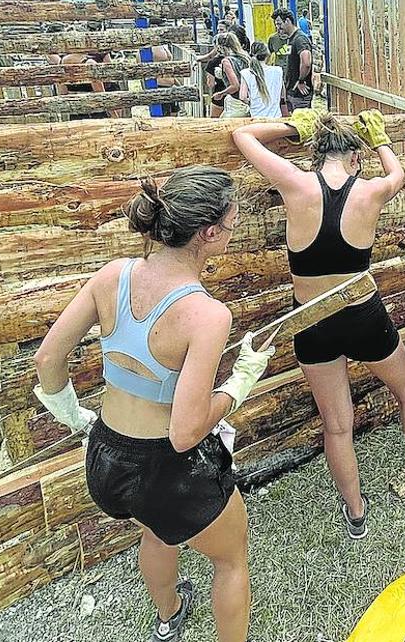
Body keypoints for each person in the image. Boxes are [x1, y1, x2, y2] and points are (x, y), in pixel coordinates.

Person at [33, 167, 271, 642]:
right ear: (208, 233)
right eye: (232, 222)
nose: (234, 228)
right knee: (231, 558)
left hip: (105, 458)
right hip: (169, 472)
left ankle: (168, 615)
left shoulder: (112, 276)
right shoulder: (206, 315)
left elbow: (48, 359)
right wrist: (239, 384)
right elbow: (186, 432)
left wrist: (67, 410)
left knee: (156, 530)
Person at [232, 109, 405, 539]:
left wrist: (292, 127)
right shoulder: (369, 191)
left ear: (315, 152)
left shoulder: (295, 182)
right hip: (362, 314)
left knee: (336, 424)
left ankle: (356, 512)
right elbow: (398, 173)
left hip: (311, 321)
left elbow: (243, 135)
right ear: (356, 158)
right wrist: (381, 138)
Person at [271, 8, 313, 111]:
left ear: (288, 21)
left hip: (300, 94)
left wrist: (301, 80)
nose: (278, 27)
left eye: (279, 24)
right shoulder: (291, 38)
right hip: (292, 92)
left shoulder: (299, 39)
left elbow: (306, 62)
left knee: (301, 122)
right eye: (276, 24)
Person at [209, 32, 252, 118]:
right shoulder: (245, 57)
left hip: (236, 102)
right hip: (249, 100)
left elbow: (235, 86)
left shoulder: (226, 61)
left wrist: (221, 93)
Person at [239, 41, 283, 118]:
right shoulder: (278, 71)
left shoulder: (246, 73)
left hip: (257, 117)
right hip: (275, 117)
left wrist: (251, 103)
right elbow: (283, 94)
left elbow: (242, 97)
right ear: (267, 55)